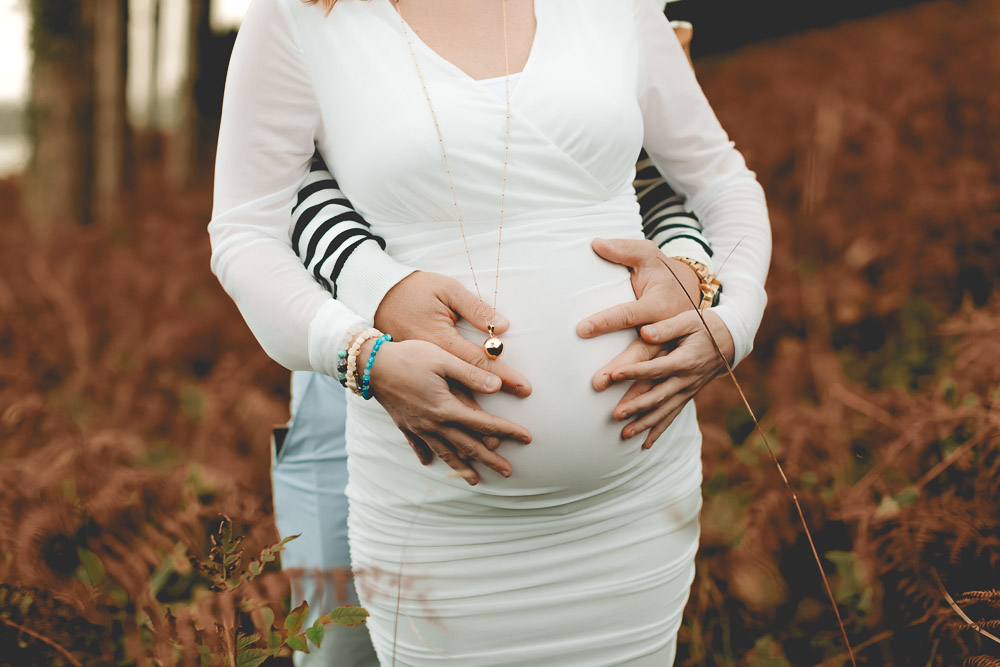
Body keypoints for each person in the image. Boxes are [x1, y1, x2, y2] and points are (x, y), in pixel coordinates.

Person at [209, 0, 771, 664]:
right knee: (336, 648)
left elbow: (698, 175)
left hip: (635, 508)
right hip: (438, 509)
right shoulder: (304, 18)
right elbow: (252, 222)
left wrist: (721, 308)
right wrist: (363, 347)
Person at [275, 150, 715, 667]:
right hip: (362, 367)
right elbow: (279, 172)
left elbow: (667, 177)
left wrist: (691, 271)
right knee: (337, 638)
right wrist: (375, 289)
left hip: (630, 497)